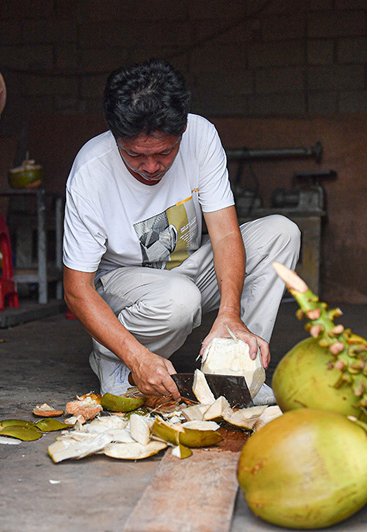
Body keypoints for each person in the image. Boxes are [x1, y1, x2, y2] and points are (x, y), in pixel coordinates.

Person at [62, 58, 300, 404]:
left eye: (164, 152)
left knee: (281, 231)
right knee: (180, 298)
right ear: (115, 137)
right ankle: (116, 360)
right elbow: (76, 290)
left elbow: (225, 235)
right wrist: (137, 357)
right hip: (123, 285)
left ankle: (237, 368)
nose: (151, 167)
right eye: (135, 155)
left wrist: (230, 313)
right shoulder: (91, 171)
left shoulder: (201, 136)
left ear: (183, 131)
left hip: (185, 271)